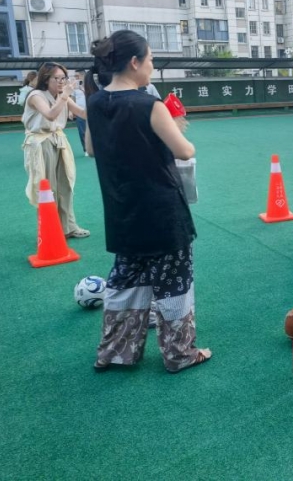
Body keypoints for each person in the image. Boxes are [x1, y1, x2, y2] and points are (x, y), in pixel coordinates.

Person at [85, 30, 210, 373]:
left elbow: (91, 148)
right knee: (174, 284)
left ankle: (115, 352)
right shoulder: (149, 105)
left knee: (125, 281)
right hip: (161, 211)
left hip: (122, 210)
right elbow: (185, 150)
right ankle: (179, 354)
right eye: (151, 59)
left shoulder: (95, 103)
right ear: (134, 62)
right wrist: (175, 127)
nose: (152, 66)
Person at [22, 62, 89, 239]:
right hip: (40, 143)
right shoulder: (36, 95)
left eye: (63, 78)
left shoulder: (62, 96)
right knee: (47, 188)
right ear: (46, 79)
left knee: (66, 184)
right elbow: (50, 115)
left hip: (58, 140)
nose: (61, 82)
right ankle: (49, 231)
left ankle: (69, 227)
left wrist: (101, 102)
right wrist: (65, 95)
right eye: (57, 78)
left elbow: (83, 113)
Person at [70, 71, 87, 156]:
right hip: (79, 112)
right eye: (75, 76)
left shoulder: (90, 85)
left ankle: (95, 148)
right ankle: (86, 149)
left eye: (77, 76)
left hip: (90, 111)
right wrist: (72, 111)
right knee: (82, 131)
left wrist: (83, 90)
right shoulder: (74, 87)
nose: (76, 78)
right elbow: (72, 99)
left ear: (83, 76)